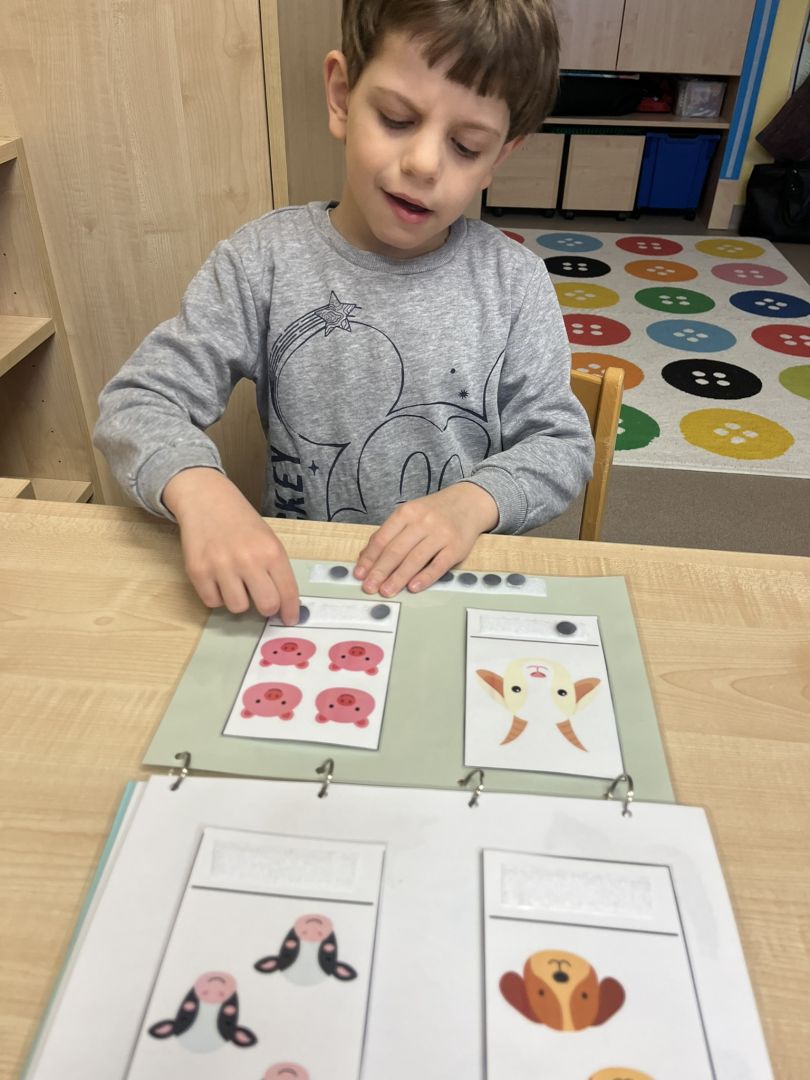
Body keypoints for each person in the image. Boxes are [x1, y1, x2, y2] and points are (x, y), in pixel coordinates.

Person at [94, 0, 593, 625]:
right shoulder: (264, 261)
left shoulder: (513, 283)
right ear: (340, 96)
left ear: (499, 157)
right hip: (306, 589)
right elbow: (139, 401)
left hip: (454, 591)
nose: (424, 163)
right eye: (397, 119)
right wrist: (199, 490)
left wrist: (473, 502)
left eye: (466, 147)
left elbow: (561, 443)